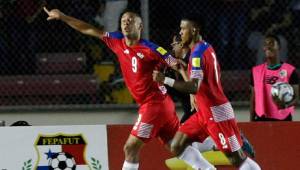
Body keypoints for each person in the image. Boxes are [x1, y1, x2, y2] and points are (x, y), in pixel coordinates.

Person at [43, 7, 214, 170]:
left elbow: (179, 65)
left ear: (139, 26)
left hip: (154, 105)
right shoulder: (116, 40)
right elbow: (88, 29)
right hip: (162, 106)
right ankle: (208, 162)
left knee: (130, 148)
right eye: (123, 20)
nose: (125, 23)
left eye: (130, 20)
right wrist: (63, 17)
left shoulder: (151, 49)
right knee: (176, 145)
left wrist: (193, 93)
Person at [153, 14, 261, 169]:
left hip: (216, 114)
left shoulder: (197, 55)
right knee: (177, 145)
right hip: (203, 113)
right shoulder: (205, 47)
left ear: (194, 30)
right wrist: (186, 76)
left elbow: (194, 86)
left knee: (237, 159)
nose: (181, 32)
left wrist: (165, 80)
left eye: (184, 28)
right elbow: (201, 83)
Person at [250, 34, 299, 121]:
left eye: (271, 43)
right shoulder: (255, 71)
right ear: (263, 48)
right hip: (262, 119)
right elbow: (253, 99)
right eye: (265, 44)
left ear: (279, 47)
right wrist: (251, 121)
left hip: (283, 119)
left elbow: (297, 98)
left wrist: (285, 105)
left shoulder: (290, 70)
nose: (268, 46)